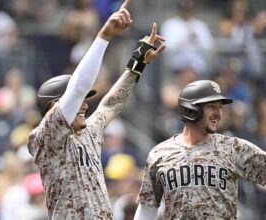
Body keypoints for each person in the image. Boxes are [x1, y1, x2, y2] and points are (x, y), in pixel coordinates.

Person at [26, 0, 166, 218]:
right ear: (53, 107)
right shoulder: (46, 137)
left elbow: (111, 103)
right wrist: (104, 36)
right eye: (80, 99)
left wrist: (137, 63)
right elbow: (79, 87)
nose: (85, 103)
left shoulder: (88, 131)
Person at [135, 80, 266, 220]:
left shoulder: (232, 148)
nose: (219, 113)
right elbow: (147, 209)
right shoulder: (159, 154)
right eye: (212, 107)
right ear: (191, 109)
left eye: (220, 107)